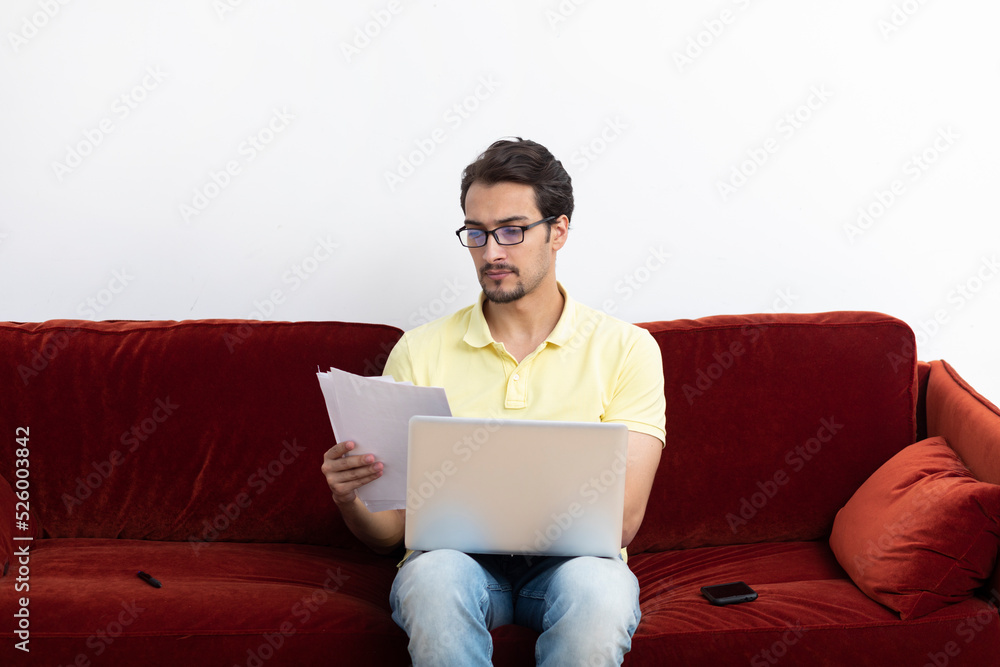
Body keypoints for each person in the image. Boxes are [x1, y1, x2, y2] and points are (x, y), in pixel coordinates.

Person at [321, 138, 666, 666]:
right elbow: (389, 535)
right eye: (476, 234)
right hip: (456, 565)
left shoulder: (628, 350)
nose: (492, 252)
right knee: (433, 576)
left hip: (575, 567)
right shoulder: (419, 350)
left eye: (511, 230)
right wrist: (352, 499)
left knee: (601, 592)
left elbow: (620, 523)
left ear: (559, 231)